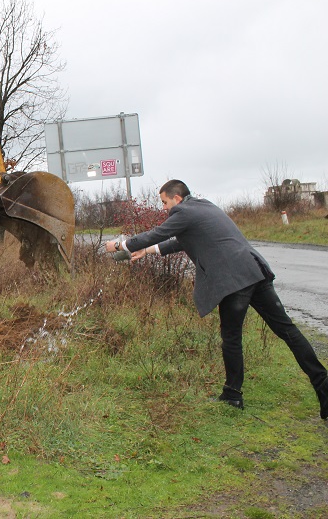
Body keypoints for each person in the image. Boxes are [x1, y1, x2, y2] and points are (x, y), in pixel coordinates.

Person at [105, 179, 328, 419]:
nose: (164, 208)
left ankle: (233, 395)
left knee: (231, 337)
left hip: (234, 280)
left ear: (176, 198)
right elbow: (181, 241)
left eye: (164, 202)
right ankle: (323, 385)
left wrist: (120, 244)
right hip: (254, 270)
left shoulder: (182, 211)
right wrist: (148, 251)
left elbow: (157, 233)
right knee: (288, 331)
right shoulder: (204, 206)